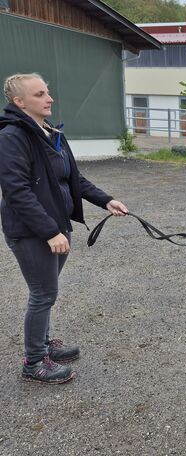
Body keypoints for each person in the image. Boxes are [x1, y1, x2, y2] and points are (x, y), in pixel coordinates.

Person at [0, 73, 128, 384]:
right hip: (33, 232)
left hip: (57, 227)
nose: (50, 98)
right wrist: (49, 231)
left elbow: (74, 179)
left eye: (48, 92)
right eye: (40, 94)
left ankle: (43, 346)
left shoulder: (51, 132)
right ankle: (33, 362)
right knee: (43, 293)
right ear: (19, 102)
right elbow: (17, 191)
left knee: (47, 291)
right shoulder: (12, 137)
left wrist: (106, 200)